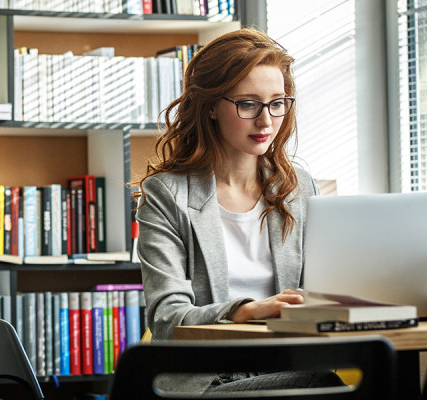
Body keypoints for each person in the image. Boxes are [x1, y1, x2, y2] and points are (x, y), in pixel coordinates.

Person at [133, 28, 344, 394]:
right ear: (211, 105)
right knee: (322, 385)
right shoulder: (166, 195)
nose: (266, 121)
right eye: (248, 104)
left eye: (277, 103)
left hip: (282, 367)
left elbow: (321, 291)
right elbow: (168, 320)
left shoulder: (298, 189)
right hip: (204, 381)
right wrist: (242, 311)